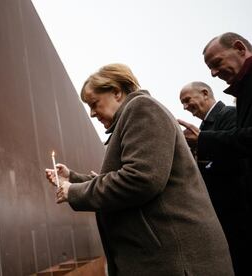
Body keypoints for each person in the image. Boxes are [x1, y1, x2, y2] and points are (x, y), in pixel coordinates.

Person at [45, 64, 233, 276]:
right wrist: (73, 178)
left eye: (94, 103)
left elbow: (140, 180)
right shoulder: (131, 117)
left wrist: (72, 191)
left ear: (116, 92)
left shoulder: (142, 108)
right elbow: (126, 176)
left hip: (175, 262)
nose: (92, 113)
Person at [179, 81, 250, 275]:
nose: (185, 107)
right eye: (182, 103)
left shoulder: (229, 114)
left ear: (204, 93)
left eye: (187, 100)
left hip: (238, 210)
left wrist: (202, 144)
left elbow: (237, 156)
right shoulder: (202, 127)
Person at [181, 32, 252, 204]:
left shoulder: (228, 113)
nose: (213, 73)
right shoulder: (243, 92)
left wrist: (202, 140)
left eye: (217, 63)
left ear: (240, 49)